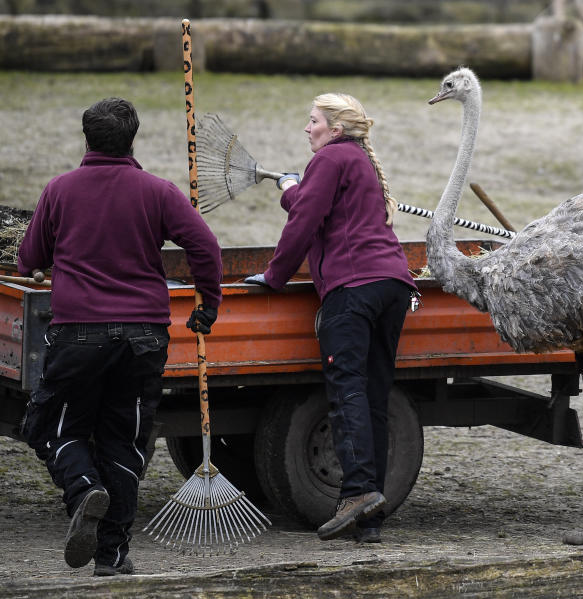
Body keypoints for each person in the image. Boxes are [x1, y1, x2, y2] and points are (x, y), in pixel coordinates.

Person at [17, 97, 222, 575]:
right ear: (133, 139)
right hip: (143, 337)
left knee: (50, 427)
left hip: (78, 334)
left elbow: (29, 257)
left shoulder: (60, 190)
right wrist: (208, 302)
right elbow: (205, 244)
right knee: (124, 441)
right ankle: (112, 555)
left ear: (86, 139)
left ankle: (84, 487)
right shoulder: (159, 192)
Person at [245, 92, 417, 544]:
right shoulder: (357, 159)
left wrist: (275, 276)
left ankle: (358, 491)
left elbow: (304, 222)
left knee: (348, 394)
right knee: (374, 398)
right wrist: (290, 189)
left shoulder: (329, 159)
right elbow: (318, 207)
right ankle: (370, 520)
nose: (307, 128)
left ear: (335, 129)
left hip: (353, 290)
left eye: (314, 120)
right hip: (393, 286)